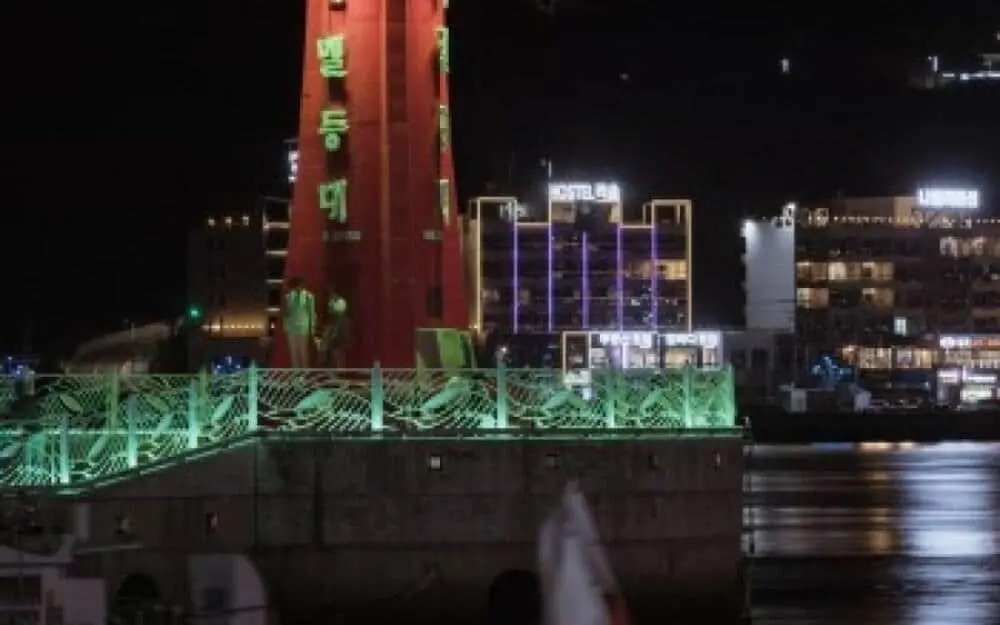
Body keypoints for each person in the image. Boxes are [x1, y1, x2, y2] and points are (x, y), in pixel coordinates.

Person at [283, 277, 316, 368]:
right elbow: (286, 313)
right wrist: (285, 326)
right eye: (298, 285)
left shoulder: (309, 296)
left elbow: (312, 313)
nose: (300, 287)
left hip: (303, 327)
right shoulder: (288, 296)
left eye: (302, 285)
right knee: (294, 352)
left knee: (303, 351)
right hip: (291, 327)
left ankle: (305, 372)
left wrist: (312, 327)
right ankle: (296, 373)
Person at [320, 293, 351, 368]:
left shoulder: (337, 319)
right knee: (336, 353)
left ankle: (339, 369)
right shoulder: (333, 319)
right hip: (337, 334)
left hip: (338, 334)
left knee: (338, 353)